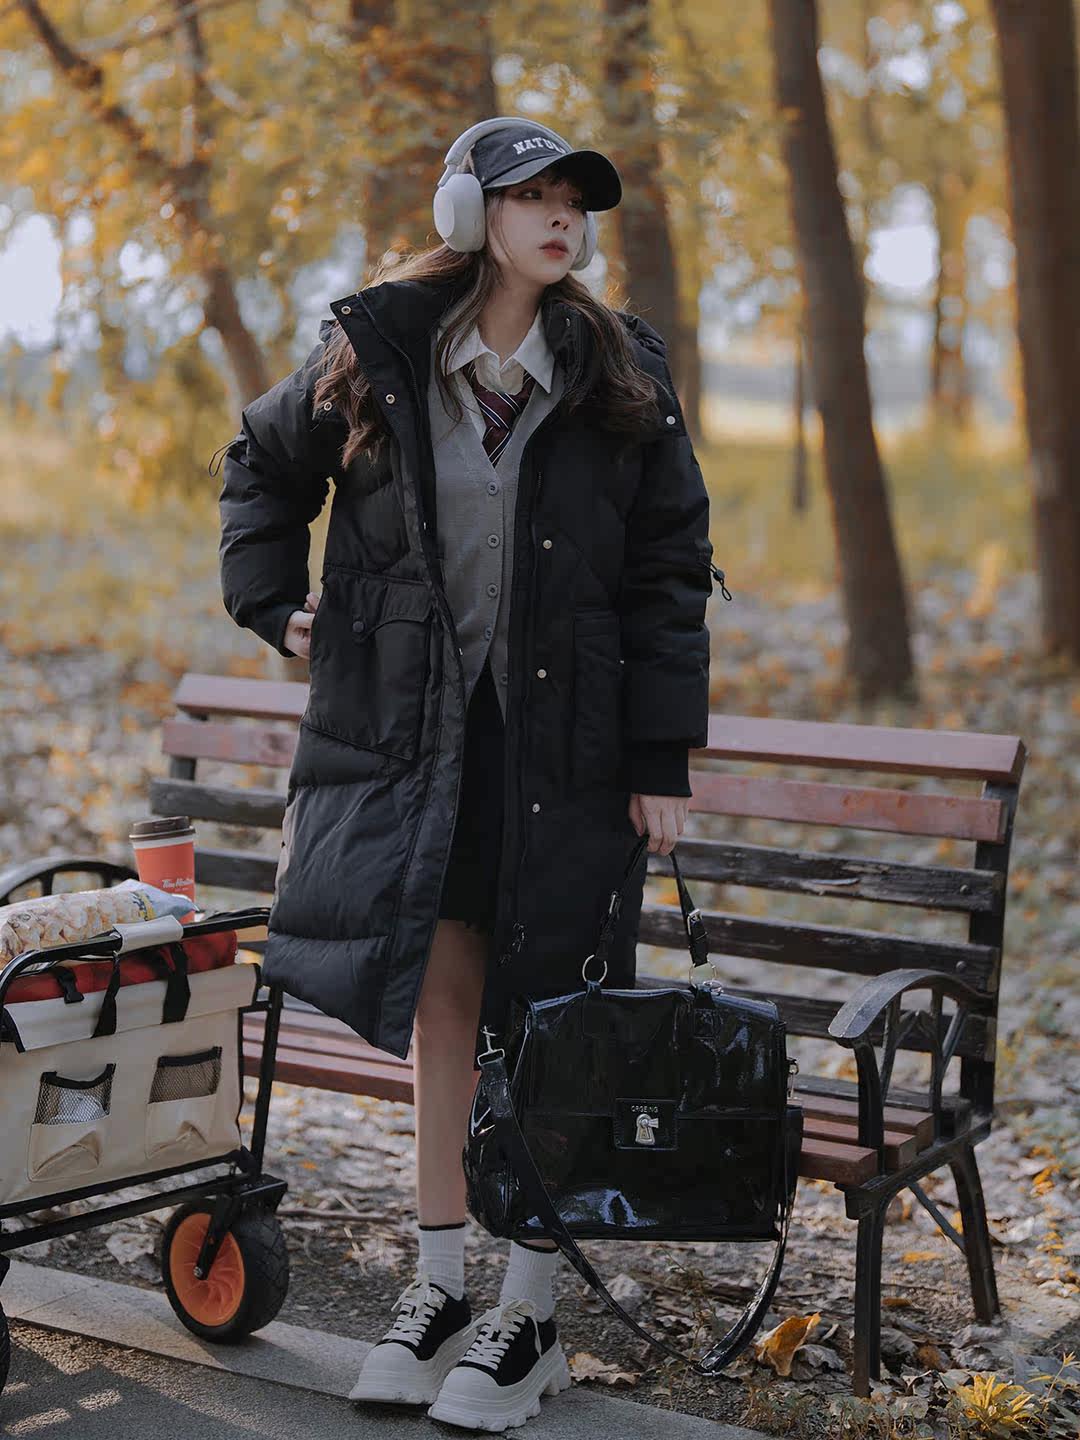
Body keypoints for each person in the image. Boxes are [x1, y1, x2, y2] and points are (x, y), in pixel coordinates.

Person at [217, 115, 716, 1431]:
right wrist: (276, 608)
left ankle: (528, 1314)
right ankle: (439, 1286)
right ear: (466, 214)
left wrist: (660, 754)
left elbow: (670, 567)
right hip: (415, 745)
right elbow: (261, 469)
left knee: (553, 1023)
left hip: (573, 749)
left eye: (574, 200)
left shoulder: (619, 371)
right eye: (531, 195)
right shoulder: (375, 353)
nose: (560, 218)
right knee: (443, 1010)